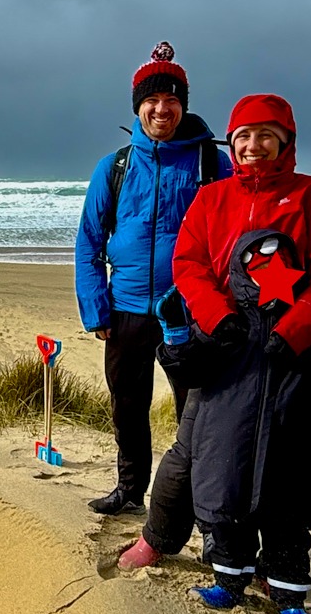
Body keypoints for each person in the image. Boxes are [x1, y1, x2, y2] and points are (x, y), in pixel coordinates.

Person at [116, 93, 311, 614]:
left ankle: (275, 573)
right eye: (243, 136)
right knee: (196, 449)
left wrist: (297, 328)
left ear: (286, 141)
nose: (253, 146)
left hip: (288, 357)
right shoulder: (214, 198)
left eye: (265, 135)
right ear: (232, 143)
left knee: (281, 463)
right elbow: (189, 262)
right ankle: (164, 540)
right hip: (223, 349)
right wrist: (216, 317)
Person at [73, 42, 229, 515]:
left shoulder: (211, 164)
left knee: (196, 414)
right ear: (138, 106)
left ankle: (195, 503)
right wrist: (97, 308)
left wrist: (219, 307)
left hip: (188, 313)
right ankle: (129, 490)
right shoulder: (115, 167)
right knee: (127, 407)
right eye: (152, 101)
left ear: (184, 103)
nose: (162, 109)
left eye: (172, 100)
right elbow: (89, 241)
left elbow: (230, 239)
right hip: (124, 312)